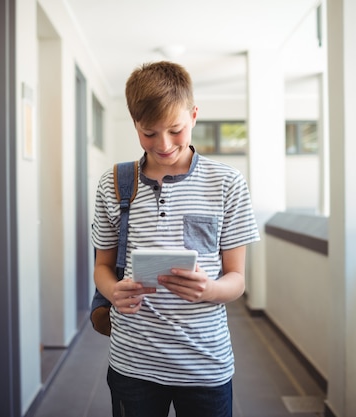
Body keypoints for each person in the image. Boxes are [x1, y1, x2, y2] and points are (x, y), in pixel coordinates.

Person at [91, 61, 260, 417]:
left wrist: (210, 290)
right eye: (149, 133)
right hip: (132, 363)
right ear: (134, 123)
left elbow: (237, 279)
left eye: (175, 129)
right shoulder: (113, 183)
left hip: (205, 364)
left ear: (194, 115)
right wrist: (113, 291)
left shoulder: (227, 183)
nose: (164, 144)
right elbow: (103, 267)